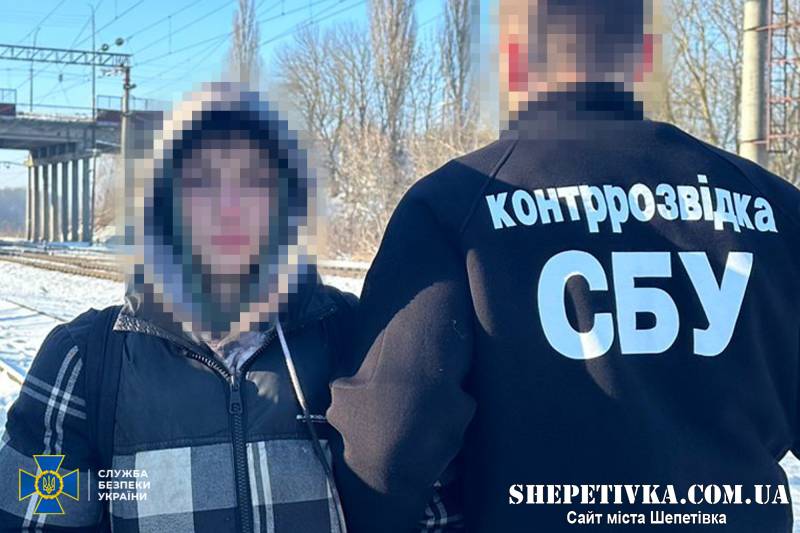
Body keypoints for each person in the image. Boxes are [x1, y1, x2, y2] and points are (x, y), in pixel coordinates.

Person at [327, 1, 800, 531]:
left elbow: (386, 445)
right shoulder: (775, 209)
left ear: (514, 62)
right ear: (644, 58)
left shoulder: (452, 207)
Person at [0, 83, 357, 532]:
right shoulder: (82, 362)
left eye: (254, 180)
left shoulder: (351, 335)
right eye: (200, 182)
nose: (229, 208)